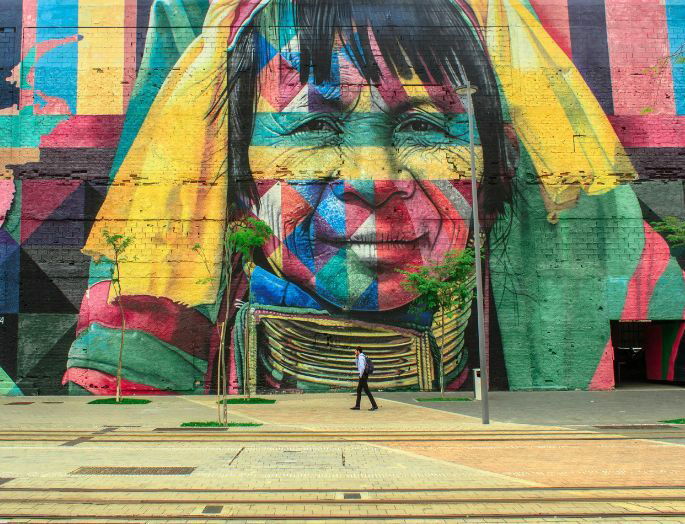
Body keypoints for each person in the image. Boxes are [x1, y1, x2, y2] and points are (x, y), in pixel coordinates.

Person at [64, 0, 685, 397]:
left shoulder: (624, 280)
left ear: (497, 175)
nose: (374, 177)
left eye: (424, 127)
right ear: (232, 181)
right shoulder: (146, 323)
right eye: (312, 128)